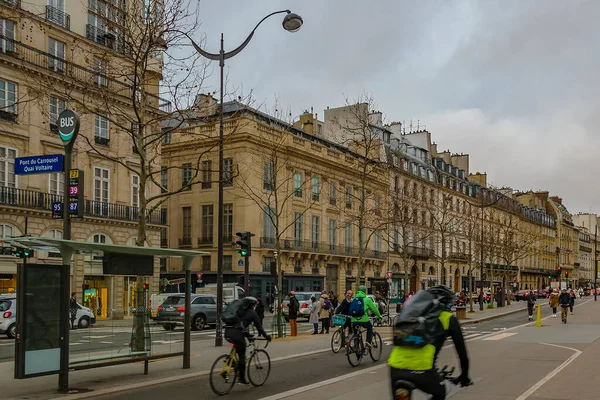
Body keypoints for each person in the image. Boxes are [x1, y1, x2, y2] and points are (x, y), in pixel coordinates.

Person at [388, 286, 470, 400]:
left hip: (395, 366)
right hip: (423, 368)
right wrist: (464, 377)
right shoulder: (448, 319)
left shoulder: (414, 316)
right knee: (440, 393)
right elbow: (462, 354)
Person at [224, 296, 271, 385]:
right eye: (254, 305)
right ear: (252, 305)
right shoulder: (252, 313)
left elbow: (242, 325)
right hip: (237, 334)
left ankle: (230, 361)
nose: (254, 307)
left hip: (228, 332)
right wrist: (267, 336)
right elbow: (259, 327)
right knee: (242, 354)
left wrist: (248, 335)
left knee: (237, 346)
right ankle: (241, 379)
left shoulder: (238, 310)